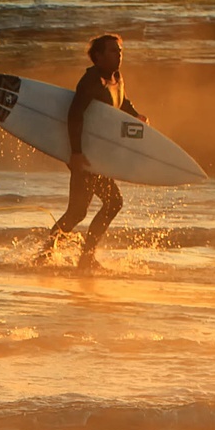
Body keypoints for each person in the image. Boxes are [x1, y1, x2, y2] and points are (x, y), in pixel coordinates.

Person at [40, 33, 145, 269]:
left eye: (120, 51)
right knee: (106, 204)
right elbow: (74, 115)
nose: (118, 55)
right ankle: (78, 256)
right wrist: (75, 154)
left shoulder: (116, 77)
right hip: (87, 156)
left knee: (79, 211)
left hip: (100, 156)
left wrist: (135, 115)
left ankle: (52, 253)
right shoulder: (90, 82)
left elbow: (121, 102)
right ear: (97, 56)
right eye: (112, 51)